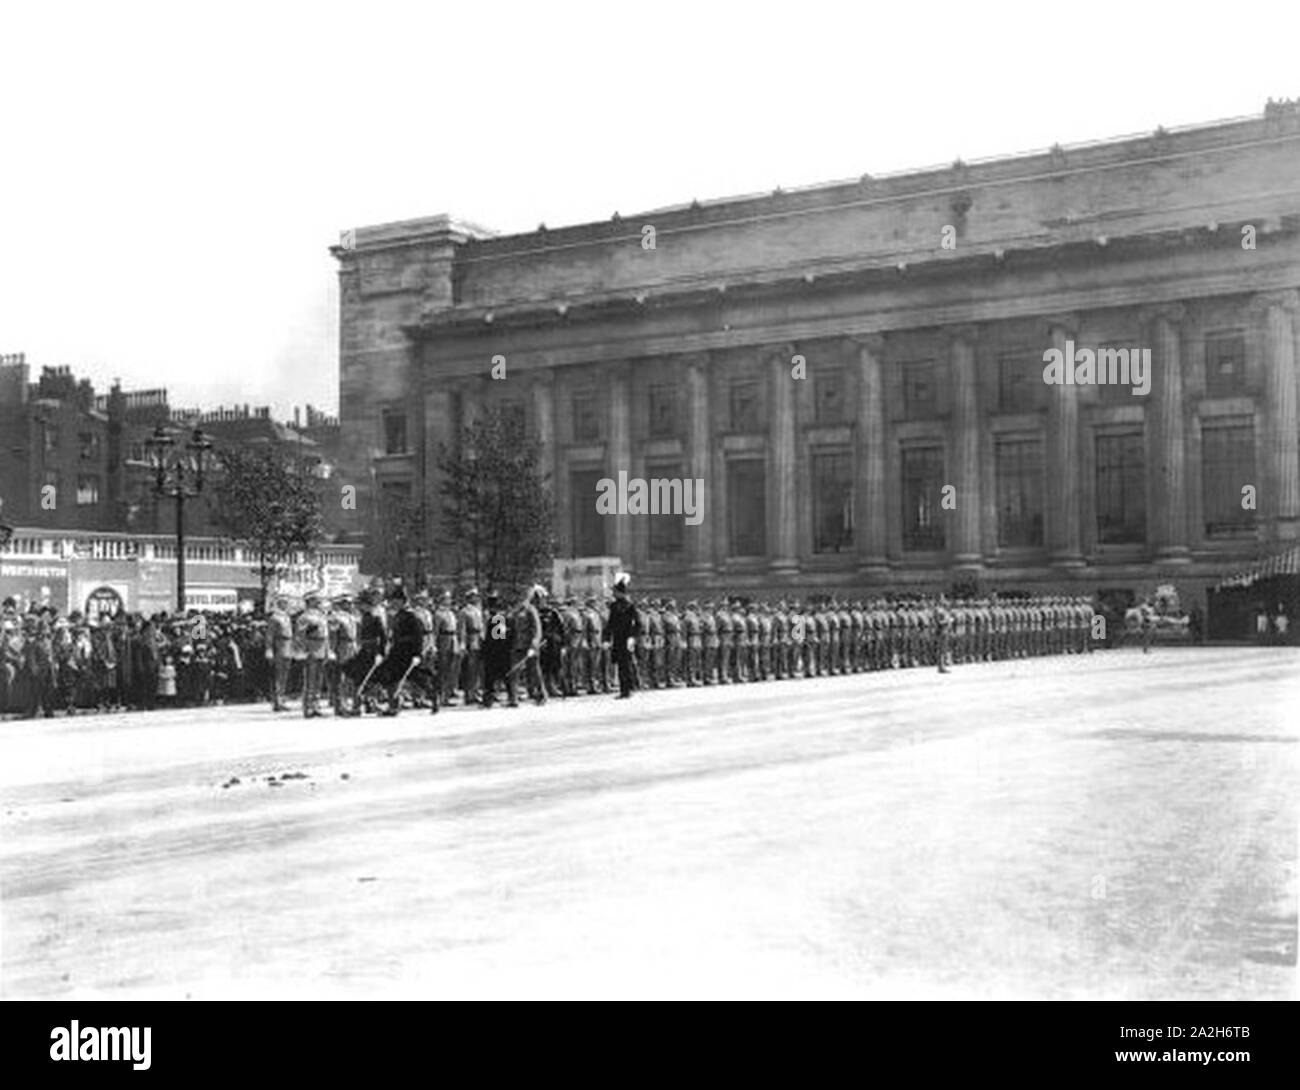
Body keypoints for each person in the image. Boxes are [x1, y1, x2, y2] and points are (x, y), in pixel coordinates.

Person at [296, 592, 330, 718]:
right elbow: (300, 635)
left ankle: (316, 705)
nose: (319, 602)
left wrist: (328, 650)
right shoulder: (304, 617)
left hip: (321, 648)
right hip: (311, 648)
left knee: (318, 679)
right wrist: (303, 650)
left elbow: (327, 635)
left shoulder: (321, 615)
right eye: (316, 600)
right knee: (310, 679)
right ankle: (308, 706)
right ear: (309, 601)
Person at [607, 572, 641, 699]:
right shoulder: (614, 606)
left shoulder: (630, 606)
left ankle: (628, 689)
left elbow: (638, 623)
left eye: (615, 591)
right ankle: (624, 689)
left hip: (627, 639)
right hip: (617, 639)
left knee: (626, 664)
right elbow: (610, 623)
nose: (613, 594)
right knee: (621, 664)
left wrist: (633, 637)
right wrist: (606, 637)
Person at [266, 595, 294, 712]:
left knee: (285, 675)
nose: (286, 605)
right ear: (279, 603)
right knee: (278, 675)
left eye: (287, 603)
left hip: (288, 645)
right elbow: (269, 635)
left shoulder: (286, 617)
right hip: (279, 645)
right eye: (284, 602)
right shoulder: (275, 618)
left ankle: (282, 698)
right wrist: (269, 650)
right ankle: (277, 700)